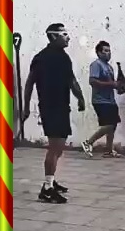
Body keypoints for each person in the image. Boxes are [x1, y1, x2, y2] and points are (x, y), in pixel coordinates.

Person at [23, 23, 85, 204]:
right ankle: (47, 189)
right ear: (53, 37)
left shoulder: (64, 58)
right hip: (50, 108)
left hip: (62, 106)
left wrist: (80, 97)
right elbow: (29, 83)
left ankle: (51, 180)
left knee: (59, 147)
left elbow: (71, 80)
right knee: (54, 147)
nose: (68, 38)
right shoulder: (41, 58)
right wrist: (26, 107)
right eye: (64, 34)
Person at [81, 41, 122, 158]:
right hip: (100, 100)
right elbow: (92, 81)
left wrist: (118, 86)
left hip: (110, 100)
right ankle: (88, 142)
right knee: (108, 125)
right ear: (98, 53)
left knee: (113, 125)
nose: (108, 53)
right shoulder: (96, 65)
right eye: (105, 51)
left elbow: (112, 84)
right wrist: (111, 84)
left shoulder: (109, 67)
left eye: (109, 51)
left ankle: (109, 150)